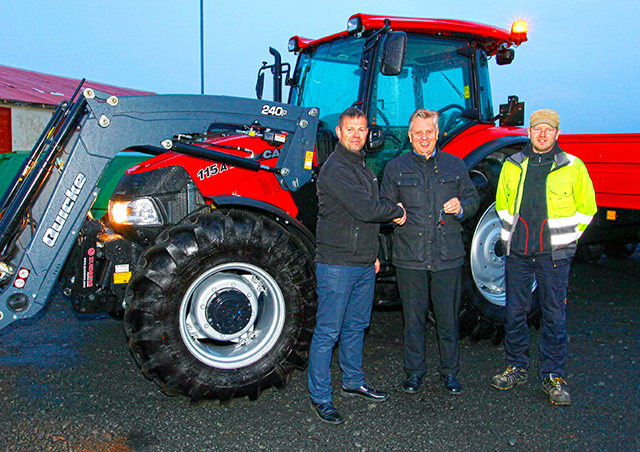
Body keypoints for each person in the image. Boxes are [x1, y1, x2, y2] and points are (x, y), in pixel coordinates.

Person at [491, 109, 597, 406]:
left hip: (554, 256)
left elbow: (587, 208)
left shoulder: (573, 167)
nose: (542, 134)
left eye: (548, 130)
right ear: (529, 132)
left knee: (553, 315)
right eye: (537, 129)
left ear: (557, 134)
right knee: (515, 312)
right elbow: (502, 204)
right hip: (519, 254)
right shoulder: (513, 165)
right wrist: (510, 238)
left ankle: (553, 375)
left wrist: (566, 239)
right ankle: (516, 366)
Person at [308, 107, 406, 425]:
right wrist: (396, 210)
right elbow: (365, 209)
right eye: (350, 129)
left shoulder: (362, 167)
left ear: (367, 133)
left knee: (356, 327)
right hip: (337, 264)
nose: (355, 135)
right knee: (327, 332)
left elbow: (362, 222)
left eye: (361, 129)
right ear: (338, 132)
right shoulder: (336, 169)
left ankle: (353, 381)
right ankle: (321, 398)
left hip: (363, 263)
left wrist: (373, 253)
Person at [380, 108, 479, 395]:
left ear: (438, 134)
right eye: (418, 133)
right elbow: (384, 203)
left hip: (447, 254)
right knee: (413, 318)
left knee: (448, 319)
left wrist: (461, 207)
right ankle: (414, 372)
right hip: (410, 256)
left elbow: (472, 199)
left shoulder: (455, 166)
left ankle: (450, 372)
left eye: (429, 132)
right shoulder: (395, 168)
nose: (424, 138)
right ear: (410, 136)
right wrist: (393, 212)